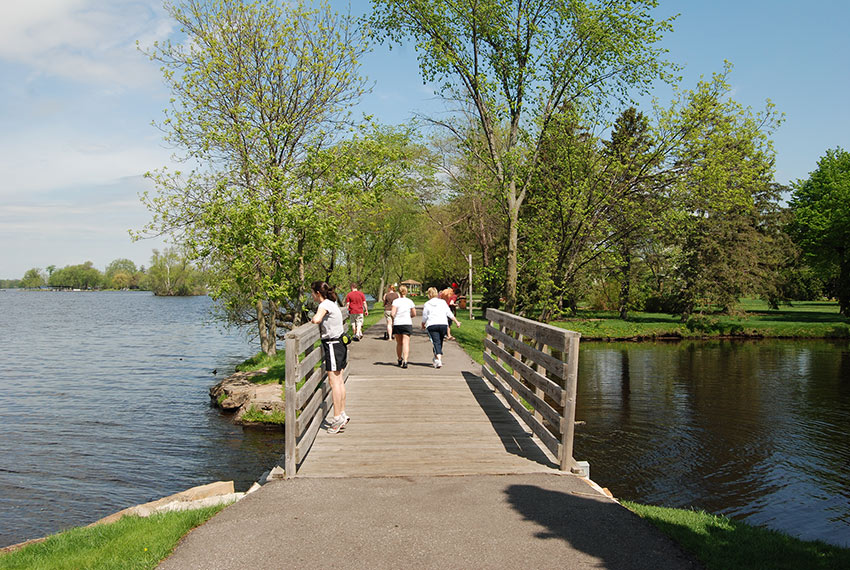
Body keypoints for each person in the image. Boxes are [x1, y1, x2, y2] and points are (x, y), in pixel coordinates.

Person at [310, 281, 349, 434]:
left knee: (334, 382)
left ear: (317, 293)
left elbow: (317, 319)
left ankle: (337, 417)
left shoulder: (324, 305)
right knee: (339, 381)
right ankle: (342, 413)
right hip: (340, 343)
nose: (312, 296)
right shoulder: (332, 303)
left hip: (332, 345)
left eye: (312, 293)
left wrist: (313, 319)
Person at [421, 287, 461, 368]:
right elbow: (449, 313)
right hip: (443, 324)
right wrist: (456, 321)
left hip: (432, 325)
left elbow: (425, 316)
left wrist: (423, 324)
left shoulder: (427, 304)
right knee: (439, 342)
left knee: (436, 342)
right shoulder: (442, 302)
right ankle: (436, 357)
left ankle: (438, 360)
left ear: (429, 294)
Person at [391, 284, 416, 368]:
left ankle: (399, 359)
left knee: (399, 343)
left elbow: (392, 313)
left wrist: (394, 318)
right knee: (406, 343)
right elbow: (414, 313)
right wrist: (410, 316)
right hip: (407, 323)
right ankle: (405, 361)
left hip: (398, 323)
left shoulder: (396, 301)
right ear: (406, 292)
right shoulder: (410, 301)